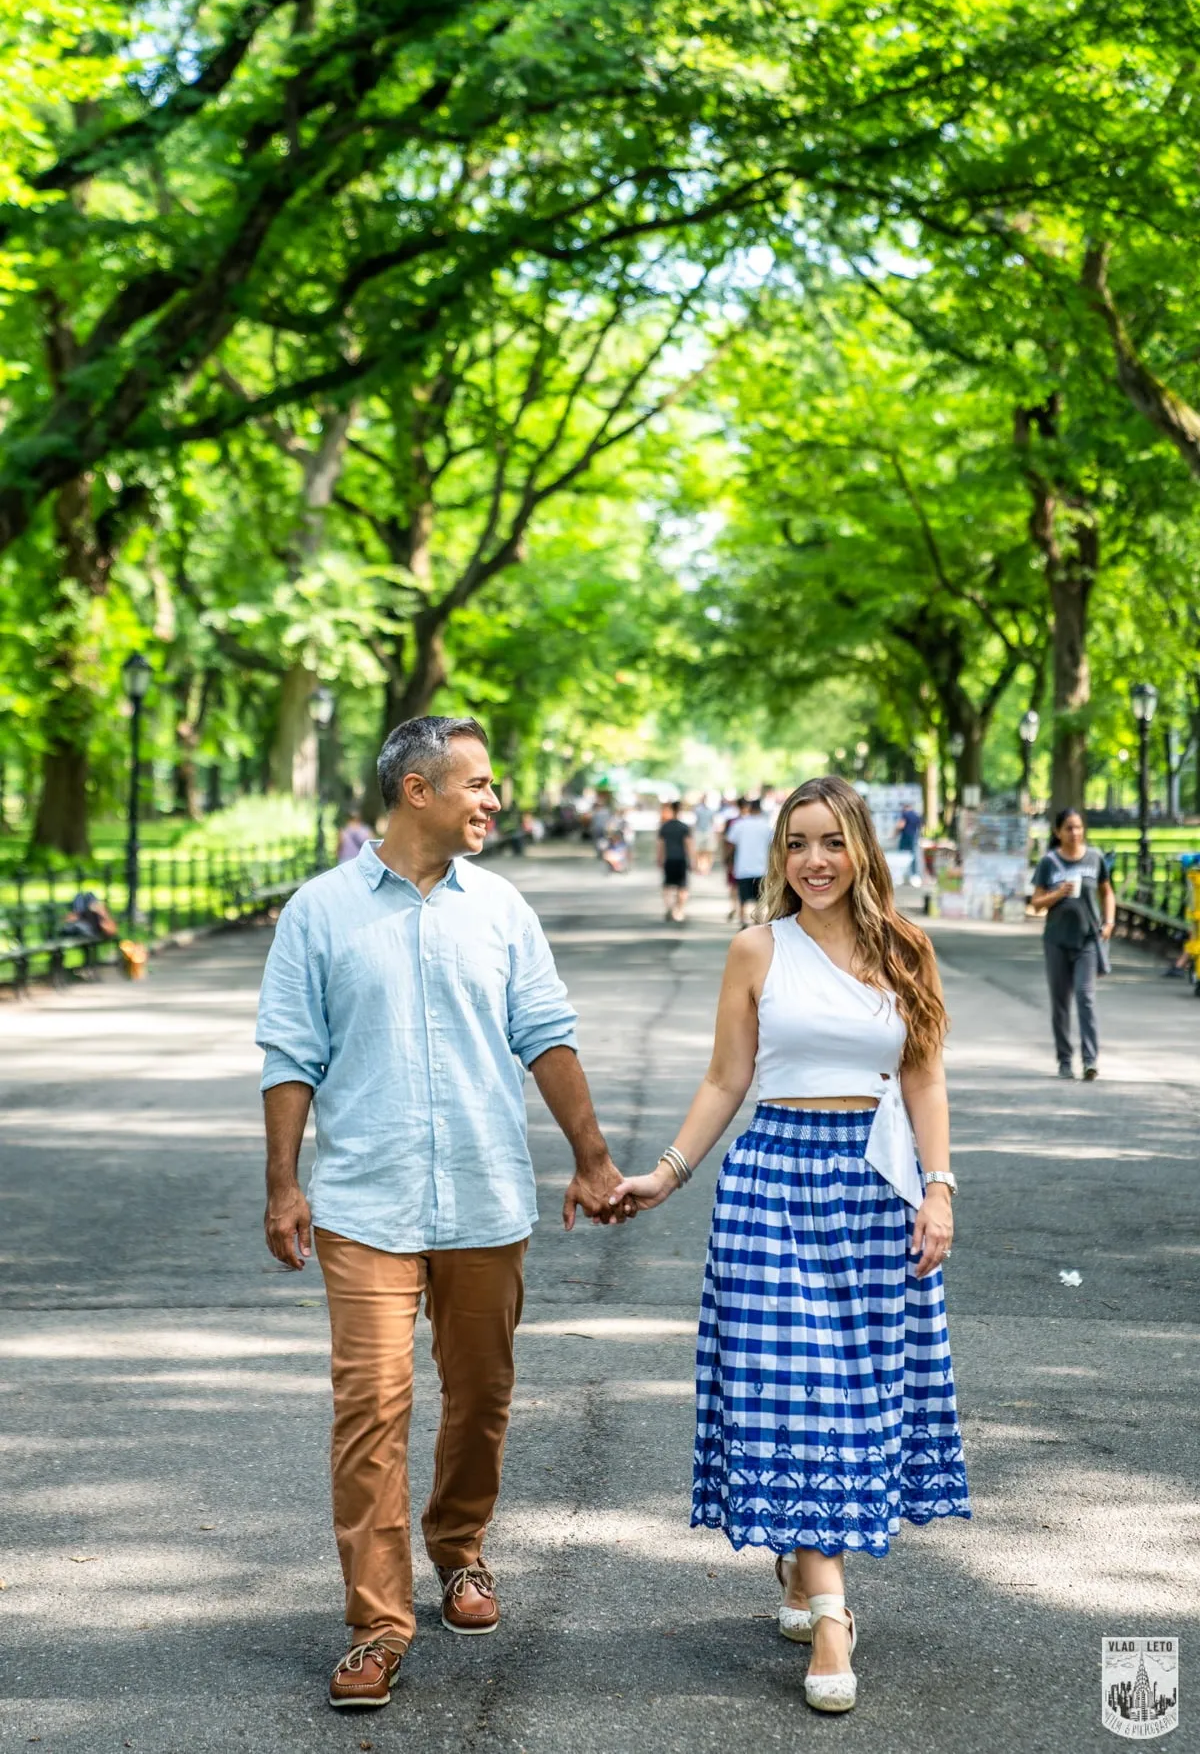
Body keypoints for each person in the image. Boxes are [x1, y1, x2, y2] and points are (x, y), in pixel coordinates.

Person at [256, 715, 634, 1712]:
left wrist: (593, 1158)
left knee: (480, 1395)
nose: (494, 800)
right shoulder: (320, 912)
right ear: (415, 790)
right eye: (477, 784)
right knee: (370, 1409)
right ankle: (378, 1622)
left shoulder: (502, 909)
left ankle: (460, 1548)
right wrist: (283, 1180)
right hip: (365, 1202)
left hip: (481, 1195)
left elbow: (547, 1037)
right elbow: (291, 1054)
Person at [610, 775, 970, 1716]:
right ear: (780, 856)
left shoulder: (907, 949)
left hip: (875, 1185)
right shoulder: (754, 951)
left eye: (832, 841)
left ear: (863, 848)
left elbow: (924, 1080)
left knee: (854, 1396)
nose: (815, 860)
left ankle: (805, 1563)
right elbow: (728, 1079)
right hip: (772, 1186)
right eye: (798, 843)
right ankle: (834, 1611)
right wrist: (668, 1170)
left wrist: (938, 1189)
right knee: (797, 1392)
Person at [1030, 807, 1115, 1081]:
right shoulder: (1049, 863)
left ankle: (1090, 1060)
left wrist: (1110, 921)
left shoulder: (1094, 858)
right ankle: (1065, 1060)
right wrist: (1058, 893)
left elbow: (1107, 891)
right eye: (1068, 828)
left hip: (1088, 940)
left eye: (1078, 827)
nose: (1074, 833)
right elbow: (1036, 903)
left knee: (1085, 998)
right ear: (1058, 832)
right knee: (1060, 1002)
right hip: (1056, 940)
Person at [725, 795, 773, 927]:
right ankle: (759, 922)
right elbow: (773, 846)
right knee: (761, 899)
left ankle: (743, 921)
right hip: (762, 868)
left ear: (750, 809)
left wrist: (728, 860)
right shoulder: (766, 826)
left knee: (744, 898)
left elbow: (730, 844)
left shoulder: (739, 825)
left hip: (743, 867)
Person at [657, 800, 693, 922]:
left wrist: (659, 858)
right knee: (682, 887)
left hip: (669, 859)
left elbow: (660, 845)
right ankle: (679, 910)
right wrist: (692, 860)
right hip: (681, 859)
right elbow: (688, 845)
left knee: (667, 885)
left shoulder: (665, 827)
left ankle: (669, 907)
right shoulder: (684, 827)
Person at [896, 802, 923, 888]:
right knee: (913, 856)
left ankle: (901, 876)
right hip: (913, 837)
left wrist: (894, 833)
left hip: (905, 837)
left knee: (901, 855)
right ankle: (914, 875)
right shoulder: (916, 815)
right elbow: (920, 826)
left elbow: (901, 825)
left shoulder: (905, 814)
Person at [692, 794, 717, 875]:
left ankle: (707, 869)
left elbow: (712, 822)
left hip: (707, 832)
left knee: (708, 851)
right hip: (700, 831)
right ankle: (699, 868)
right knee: (699, 851)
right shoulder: (697, 809)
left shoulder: (711, 810)